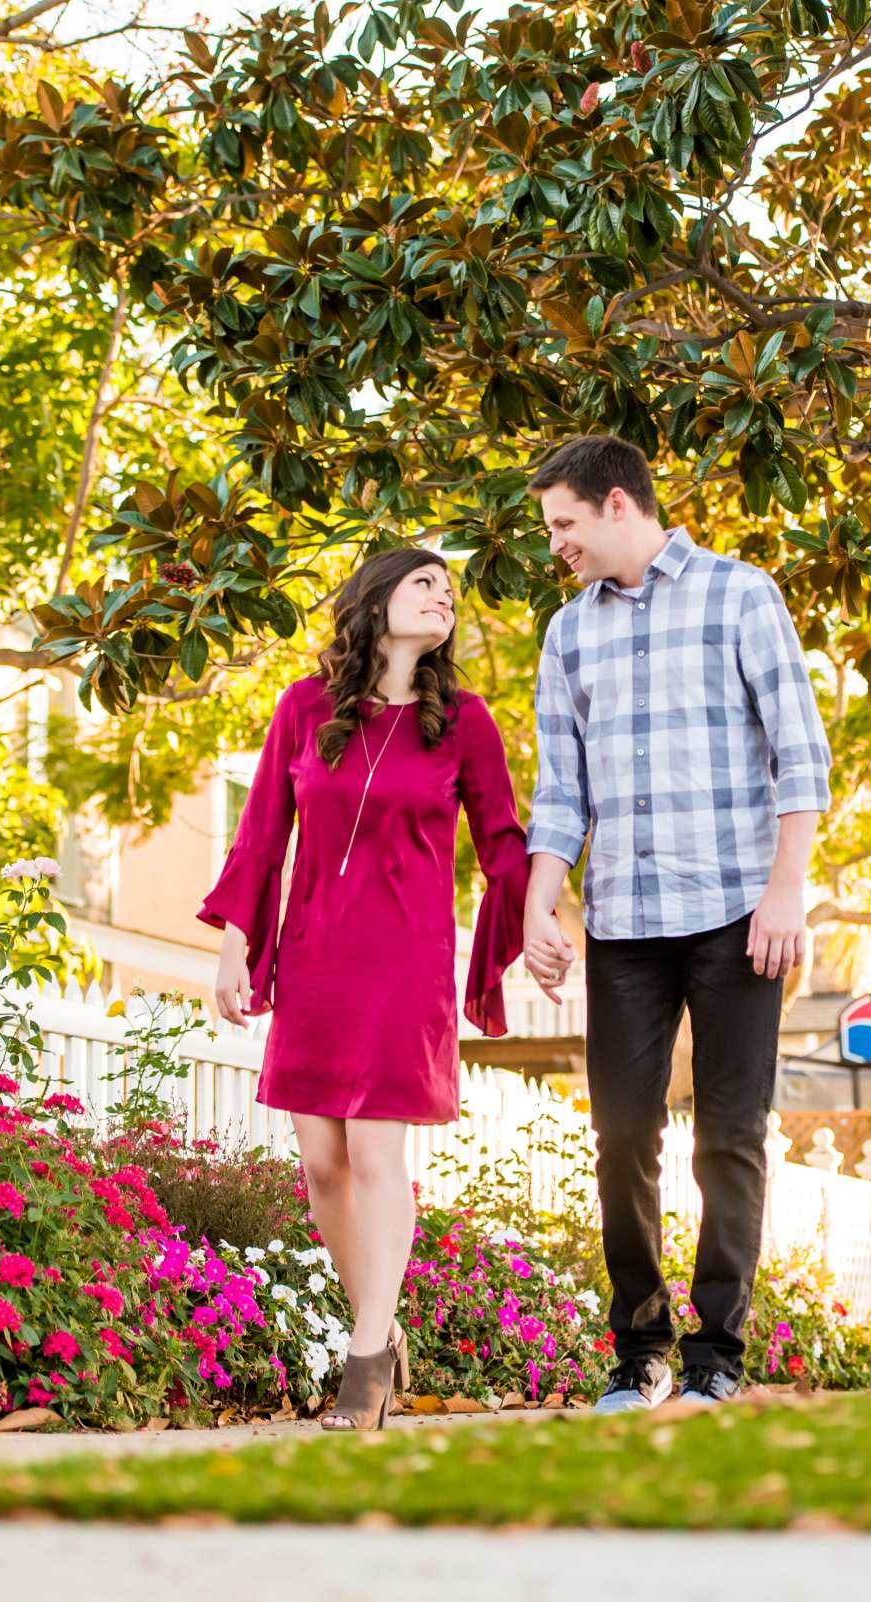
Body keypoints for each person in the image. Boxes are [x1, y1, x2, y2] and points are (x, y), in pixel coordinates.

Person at [520, 435, 832, 1411]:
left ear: (618, 505)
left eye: (564, 525)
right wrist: (542, 894)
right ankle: (640, 1350)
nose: (557, 546)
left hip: (741, 914)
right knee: (623, 1135)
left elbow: (800, 753)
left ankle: (717, 1356)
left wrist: (788, 889)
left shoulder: (741, 595)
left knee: (731, 1133)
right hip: (624, 920)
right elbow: (560, 790)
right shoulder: (567, 634)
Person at [199, 547, 530, 1430]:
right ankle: (377, 1330)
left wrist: (537, 917)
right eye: (426, 582)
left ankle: (364, 1364)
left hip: (404, 961)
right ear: (376, 599)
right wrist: (238, 945)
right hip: (316, 955)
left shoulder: (464, 722)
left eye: (450, 591)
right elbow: (262, 831)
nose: (444, 597)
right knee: (323, 1165)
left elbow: (501, 839)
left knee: (379, 1157)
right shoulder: (305, 709)